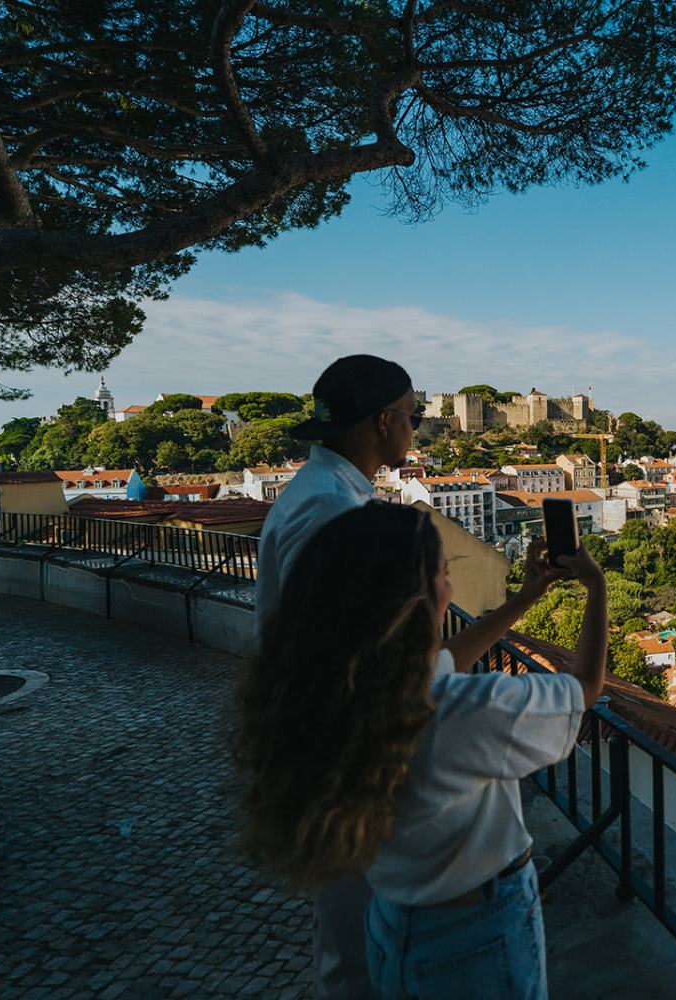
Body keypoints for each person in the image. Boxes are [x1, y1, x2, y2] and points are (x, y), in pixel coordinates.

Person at [252, 355, 590, 999]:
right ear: (383, 422)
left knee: (363, 940)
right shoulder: (329, 510)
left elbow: (386, 660)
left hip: (348, 748)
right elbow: (344, 655)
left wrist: (519, 603)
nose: (417, 427)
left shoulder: (329, 494)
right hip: (355, 758)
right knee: (356, 951)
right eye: (413, 415)